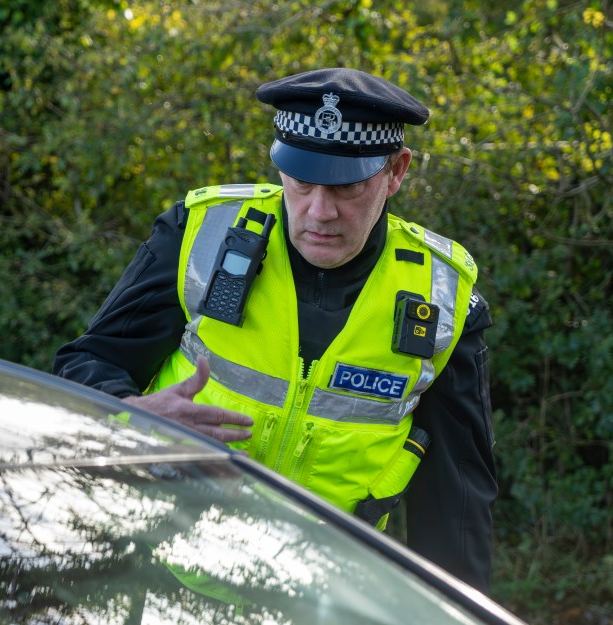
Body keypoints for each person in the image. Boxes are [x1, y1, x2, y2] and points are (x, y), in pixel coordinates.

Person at [53, 68, 497, 592]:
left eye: (347, 187)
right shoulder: (201, 234)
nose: (319, 212)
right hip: (160, 578)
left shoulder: (443, 295)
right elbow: (86, 364)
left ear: (395, 173)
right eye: (301, 181)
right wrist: (127, 414)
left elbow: (457, 496)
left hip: (319, 599)